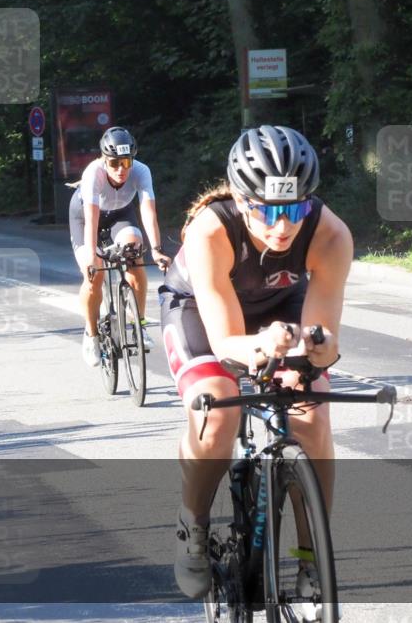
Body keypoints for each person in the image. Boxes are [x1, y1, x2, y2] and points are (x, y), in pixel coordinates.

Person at [159, 125, 349, 602]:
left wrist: (316, 350)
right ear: (243, 201)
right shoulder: (211, 230)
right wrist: (261, 346)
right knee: (217, 407)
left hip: (279, 307)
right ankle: (194, 527)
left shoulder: (330, 233)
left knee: (312, 412)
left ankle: (313, 562)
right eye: (268, 210)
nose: (283, 226)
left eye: (295, 208)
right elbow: (225, 342)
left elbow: (324, 338)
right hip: (201, 313)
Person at [69, 126, 171, 367]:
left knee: (135, 250)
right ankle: (91, 334)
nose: (121, 169)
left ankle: (140, 325)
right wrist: (93, 258)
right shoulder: (93, 173)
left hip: (119, 214)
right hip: (86, 216)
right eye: (114, 163)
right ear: (104, 160)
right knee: (92, 275)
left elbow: (148, 212)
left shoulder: (141, 171)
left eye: (126, 162)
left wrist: (156, 249)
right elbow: (91, 220)